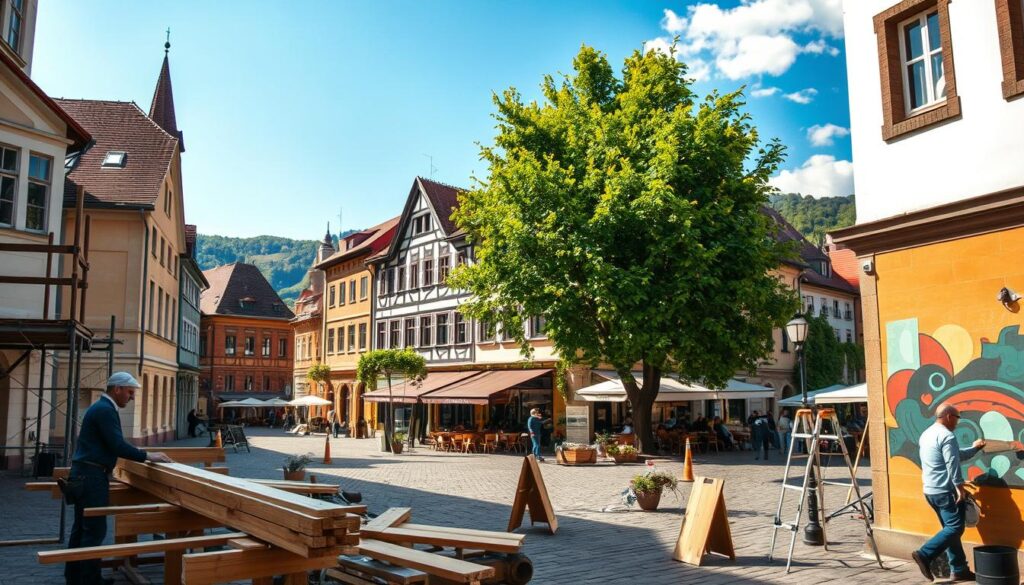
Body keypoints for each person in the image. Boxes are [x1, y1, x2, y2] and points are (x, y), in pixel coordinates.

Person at [64, 372, 173, 585]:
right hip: (91, 476)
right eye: (130, 392)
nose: (132, 397)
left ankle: (75, 577)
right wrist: (149, 456)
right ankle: (89, 581)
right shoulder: (105, 410)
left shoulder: (100, 408)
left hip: (83, 474)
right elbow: (117, 445)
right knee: (94, 530)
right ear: (117, 389)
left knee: (81, 529)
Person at [910, 404, 985, 583]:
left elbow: (955, 455)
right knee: (955, 528)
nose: (958, 423)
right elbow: (953, 463)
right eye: (958, 418)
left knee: (950, 530)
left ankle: (959, 569)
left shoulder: (927, 434)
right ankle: (925, 554)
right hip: (945, 492)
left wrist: (975, 448)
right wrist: (959, 487)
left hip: (930, 491)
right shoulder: (947, 435)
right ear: (949, 416)